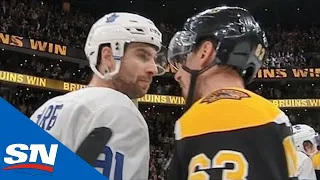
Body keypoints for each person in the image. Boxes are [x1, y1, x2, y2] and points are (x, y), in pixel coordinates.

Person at [166, 6, 298, 180]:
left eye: (185, 57)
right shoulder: (275, 116)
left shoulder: (192, 122)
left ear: (205, 52)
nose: (177, 75)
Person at [30, 12, 165, 180]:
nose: (153, 68)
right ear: (108, 57)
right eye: (142, 56)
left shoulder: (46, 108)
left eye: (154, 59)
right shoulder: (120, 110)